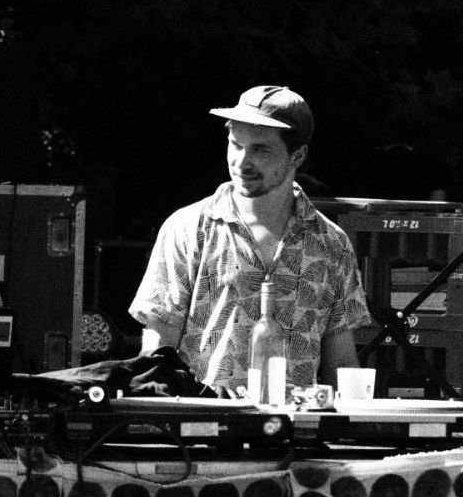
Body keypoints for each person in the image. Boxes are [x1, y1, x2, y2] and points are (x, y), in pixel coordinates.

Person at [129, 85, 370, 394]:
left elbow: (342, 363)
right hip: (202, 419)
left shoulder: (332, 243)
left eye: (260, 150)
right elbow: (157, 350)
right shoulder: (188, 228)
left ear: (297, 155)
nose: (242, 162)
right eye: (235, 145)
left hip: (294, 421)